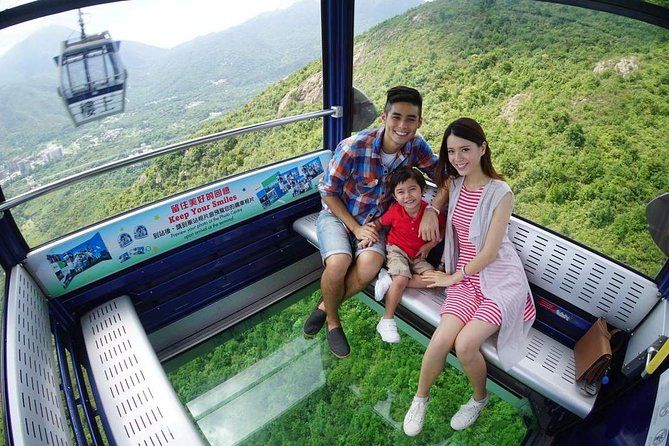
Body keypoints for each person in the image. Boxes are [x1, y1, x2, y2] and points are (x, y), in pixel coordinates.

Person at [403, 117, 536, 435]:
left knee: (464, 345)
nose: (458, 158)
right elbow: (440, 195)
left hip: (499, 280)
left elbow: (490, 253)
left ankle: (479, 398)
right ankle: (421, 398)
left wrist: (451, 278)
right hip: (467, 278)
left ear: (482, 148)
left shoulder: (500, 193)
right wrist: (433, 211)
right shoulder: (455, 182)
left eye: (465, 149)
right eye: (451, 151)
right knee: (439, 341)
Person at [302, 86, 446, 358]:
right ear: (384, 116)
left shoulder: (417, 147)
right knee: (339, 263)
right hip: (338, 215)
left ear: (419, 122)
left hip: (377, 223)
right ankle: (333, 322)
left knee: (369, 265)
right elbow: (328, 192)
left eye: (410, 119)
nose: (402, 126)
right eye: (396, 117)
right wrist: (355, 228)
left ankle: (325, 306)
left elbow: (445, 177)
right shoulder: (354, 147)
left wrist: (433, 209)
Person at [366, 166, 445, 343]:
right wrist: (371, 232)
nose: (407, 196)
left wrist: (429, 245)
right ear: (394, 196)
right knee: (401, 280)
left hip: (418, 255)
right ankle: (386, 320)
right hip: (397, 250)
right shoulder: (395, 211)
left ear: (423, 190)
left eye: (412, 189)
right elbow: (380, 222)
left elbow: (443, 228)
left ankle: (390, 278)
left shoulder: (429, 212)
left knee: (435, 281)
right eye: (401, 192)